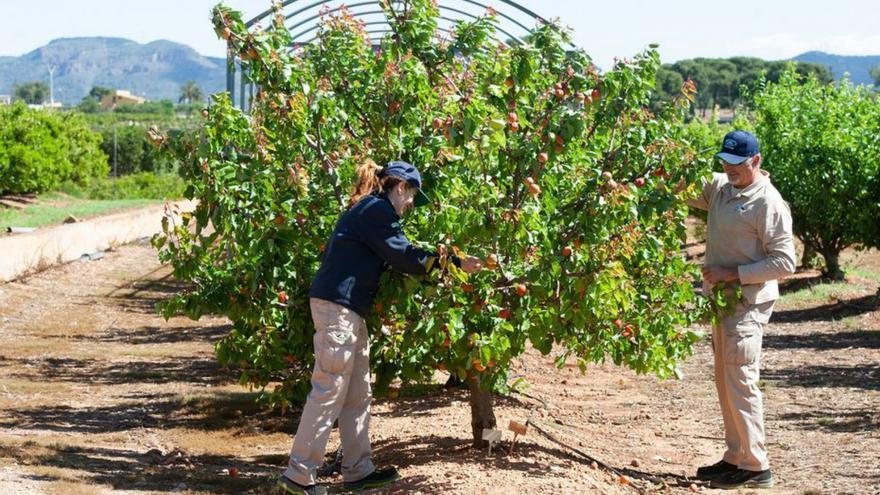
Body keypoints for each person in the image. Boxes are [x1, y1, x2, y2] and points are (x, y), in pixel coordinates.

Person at [277, 160, 483, 495]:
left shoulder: (371, 211)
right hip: (337, 310)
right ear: (400, 186)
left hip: (349, 310)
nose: (411, 204)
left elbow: (399, 254)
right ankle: (299, 476)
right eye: (412, 195)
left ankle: (357, 470)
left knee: (357, 393)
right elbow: (404, 256)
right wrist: (453, 264)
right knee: (329, 388)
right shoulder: (376, 210)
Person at [688, 130, 796, 489]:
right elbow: (681, 183)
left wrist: (732, 274)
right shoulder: (722, 187)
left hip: (746, 304)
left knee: (741, 380)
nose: (729, 169)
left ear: (756, 161)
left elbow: (784, 262)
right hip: (721, 302)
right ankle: (736, 457)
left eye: (736, 164)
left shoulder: (768, 203)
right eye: (724, 162)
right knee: (726, 380)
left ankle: (755, 466)